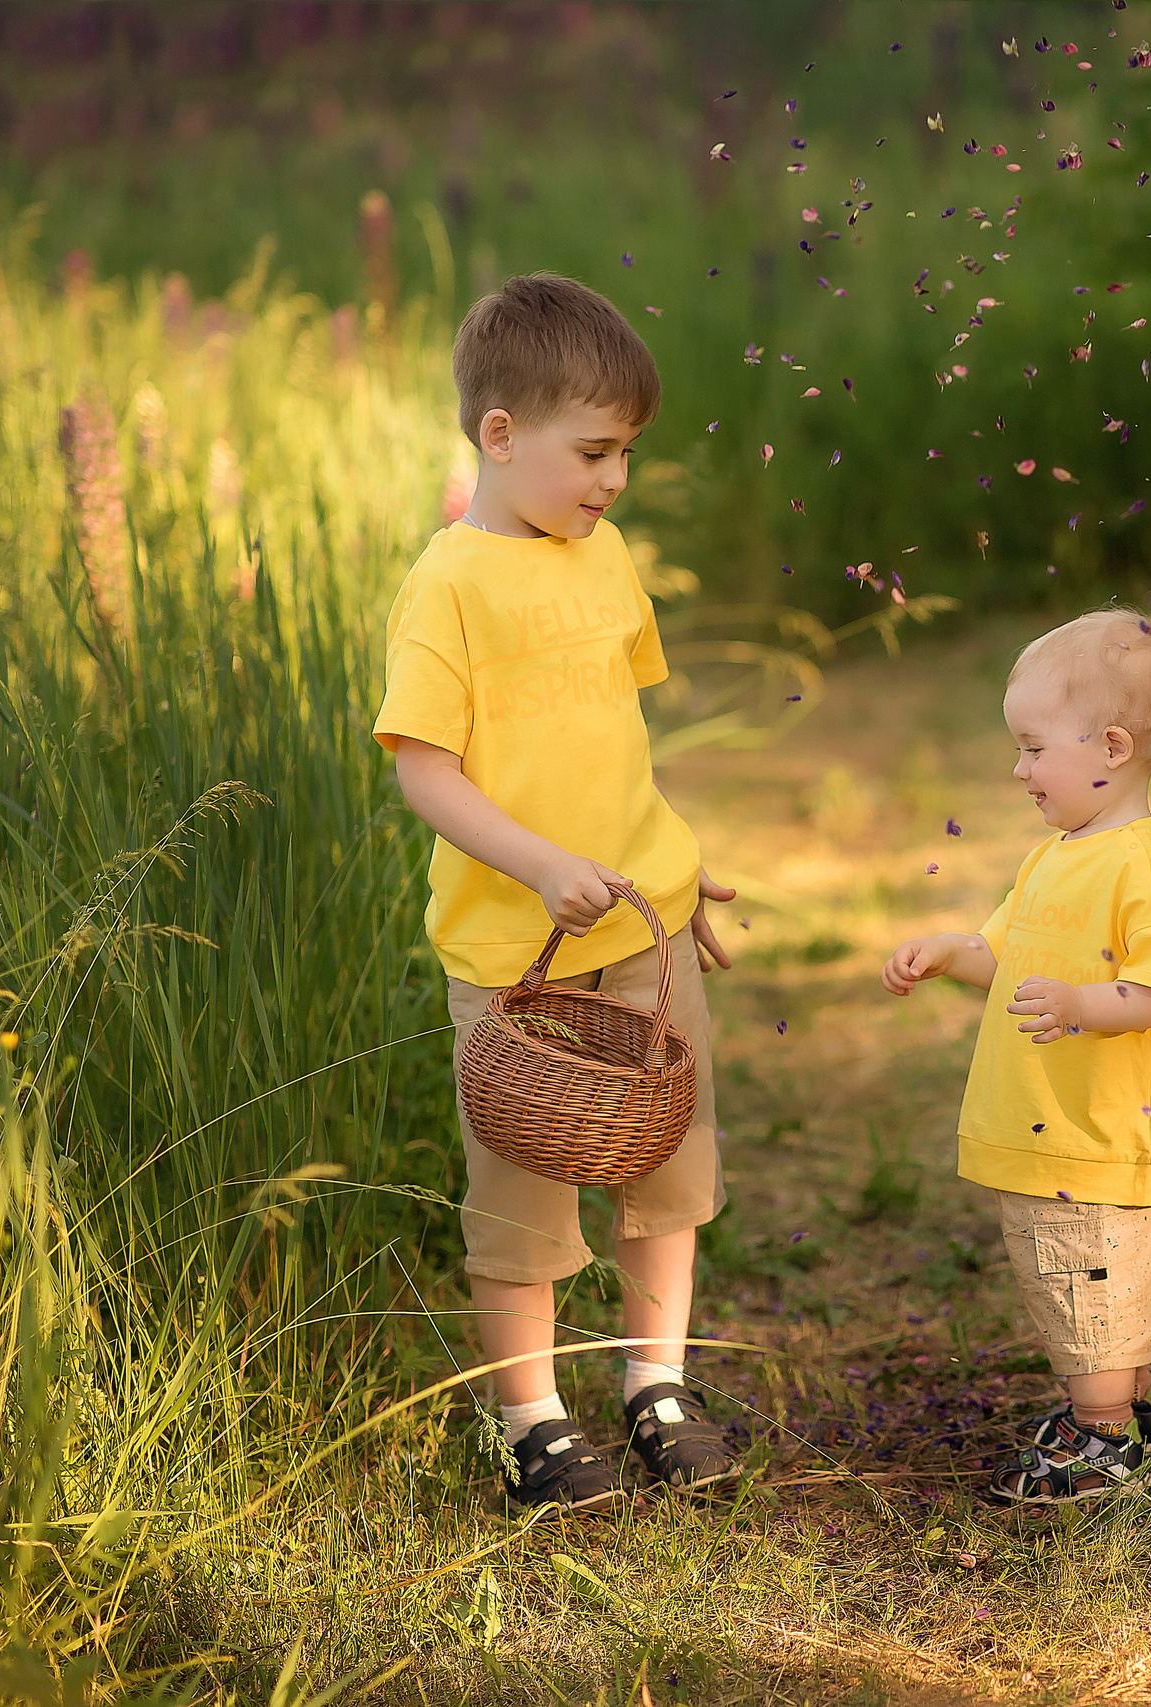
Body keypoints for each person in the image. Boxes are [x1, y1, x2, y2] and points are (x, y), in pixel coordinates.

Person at [374, 273, 735, 1510]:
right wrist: (536, 866)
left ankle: (655, 1383)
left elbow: (609, 744)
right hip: (513, 954)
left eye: (626, 453)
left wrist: (676, 866)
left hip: (642, 925)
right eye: (593, 452)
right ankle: (531, 1420)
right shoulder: (450, 588)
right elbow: (426, 770)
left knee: (665, 1167)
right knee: (523, 1197)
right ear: (499, 435)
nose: (614, 479)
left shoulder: (606, 555)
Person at [881, 611, 1151, 1503]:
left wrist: (1080, 1007)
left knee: (1086, 1279)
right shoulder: (1058, 856)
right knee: (1090, 1278)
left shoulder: (1140, 867)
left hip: (1099, 1132)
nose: (1018, 769)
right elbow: (1009, 962)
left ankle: (1102, 1434)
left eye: (1032, 748)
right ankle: (1123, 1413)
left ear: (1111, 744)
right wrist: (954, 950)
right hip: (1057, 1123)